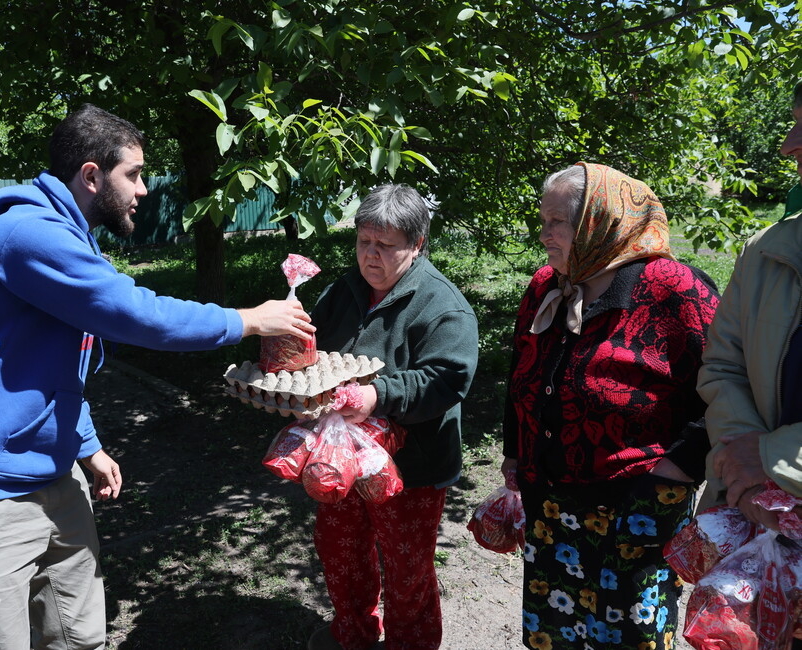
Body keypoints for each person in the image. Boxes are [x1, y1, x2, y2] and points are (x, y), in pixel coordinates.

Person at [0, 103, 314, 649]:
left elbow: (58, 367)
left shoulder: (71, 238)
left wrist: (86, 444)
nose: (145, 189)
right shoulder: (30, 235)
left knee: (80, 638)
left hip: (55, 482)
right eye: (134, 174)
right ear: (91, 175)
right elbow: (133, 312)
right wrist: (247, 320)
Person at [502, 162, 719, 649]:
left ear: (599, 221)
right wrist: (515, 452)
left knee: (629, 634)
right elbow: (523, 371)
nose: (544, 235)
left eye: (557, 222)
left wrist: (679, 467)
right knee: (556, 626)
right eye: (544, 220)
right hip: (551, 499)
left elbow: (729, 385)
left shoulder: (671, 287)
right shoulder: (547, 285)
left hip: (636, 503)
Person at [306, 183, 479, 650]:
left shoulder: (442, 306)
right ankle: (354, 635)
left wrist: (377, 395)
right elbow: (317, 353)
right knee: (342, 553)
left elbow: (447, 380)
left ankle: (411, 644)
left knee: (406, 569)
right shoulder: (344, 291)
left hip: (412, 467)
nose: (370, 255)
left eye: (385, 245)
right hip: (339, 457)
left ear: (417, 244)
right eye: (364, 241)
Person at [699, 83, 802, 532]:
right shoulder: (764, 250)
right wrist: (748, 470)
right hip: (756, 514)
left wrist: (772, 461)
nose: (787, 146)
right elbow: (723, 367)